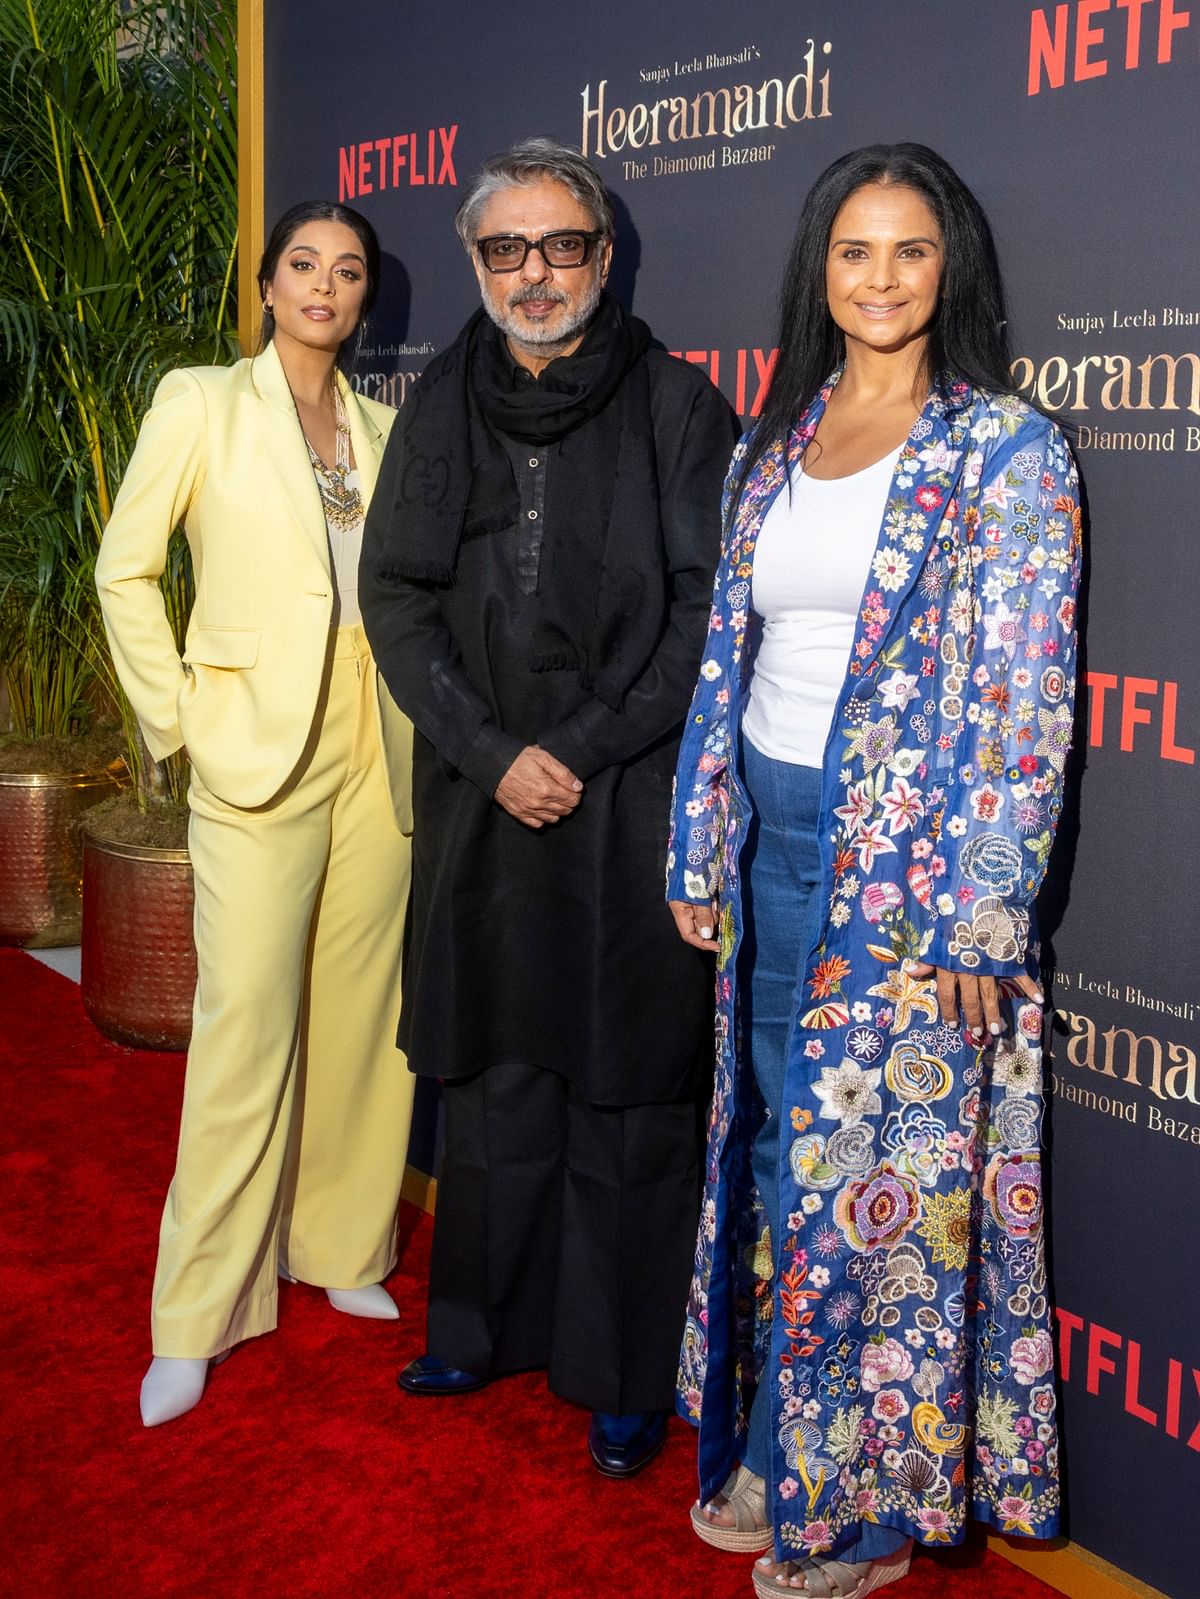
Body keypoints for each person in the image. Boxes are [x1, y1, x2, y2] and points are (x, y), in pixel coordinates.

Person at [667, 144, 1081, 1598]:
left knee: (883, 1189)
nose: (884, 277)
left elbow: (1028, 698)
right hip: (774, 840)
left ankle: (864, 1505)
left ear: (948, 265)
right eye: (856, 251)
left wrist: (983, 908)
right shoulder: (774, 440)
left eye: (911, 250)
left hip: (912, 882)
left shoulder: (1006, 450)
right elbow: (735, 648)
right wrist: (699, 825)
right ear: (820, 269)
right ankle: (792, 1427)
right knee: (789, 1154)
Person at [360, 137, 738, 1476]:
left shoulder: (680, 406)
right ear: (476, 263)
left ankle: (623, 1368)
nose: (536, 273)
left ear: (603, 255)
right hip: (478, 798)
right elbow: (395, 598)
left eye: (560, 245)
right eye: (507, 249)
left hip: (624, 799)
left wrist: (572, 748)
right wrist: (485, 746)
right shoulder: (438, 402)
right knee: (497, 1074)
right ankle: (478, 1323)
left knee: (625, 1095)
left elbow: (707, 611)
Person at [96, 201, 416, 1428]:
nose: (324, 287)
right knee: (243, 1027)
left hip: (374, 738)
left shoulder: (386, 427)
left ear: (364, 295)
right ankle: (196, 1310)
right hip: (250, 738)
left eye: (348, 271)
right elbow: (126, 565)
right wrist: (175, 719)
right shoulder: (202, 402)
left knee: (363, 1018)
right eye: (303, 266)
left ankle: (338, 1245)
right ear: (268, 283)